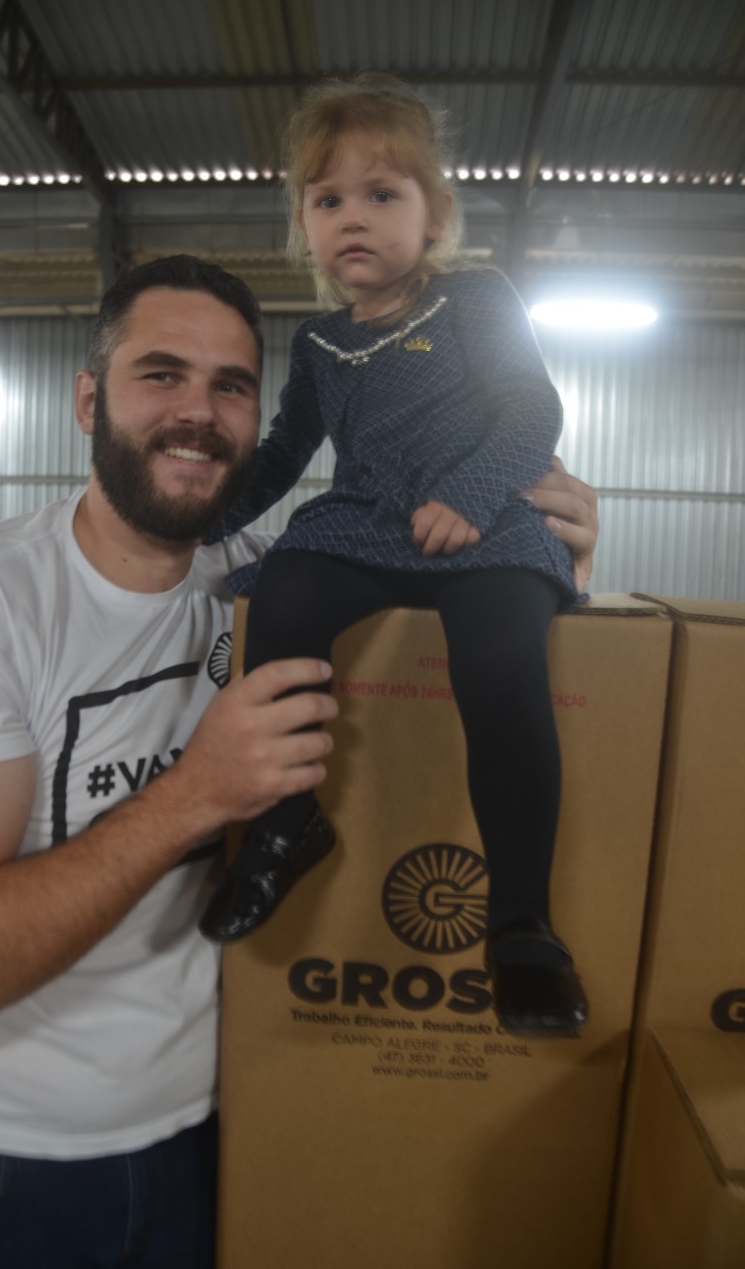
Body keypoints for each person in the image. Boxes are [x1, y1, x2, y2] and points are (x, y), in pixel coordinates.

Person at [0, 253, 598, 1268]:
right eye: (161, 374)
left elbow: (465, 637)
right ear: (89, 400)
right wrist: (194, 794)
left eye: (230, 386)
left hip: (202, 1133)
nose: (199, 411)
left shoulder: (266, 579)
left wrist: (549, 554)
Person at [199, 74, 588, 1040]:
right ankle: (288, 819)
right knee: (287, 591)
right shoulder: (319, 342)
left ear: (434, 214)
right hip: (368, 521)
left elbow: (531, 407)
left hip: (484, 521)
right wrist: (205, 522)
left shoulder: (474, 298)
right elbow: (284, 453)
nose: (353, 218)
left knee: (496, 655)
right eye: (327, 199)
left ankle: (521, 920)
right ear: (303, 224)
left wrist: (471, 493)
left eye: (381, 194)